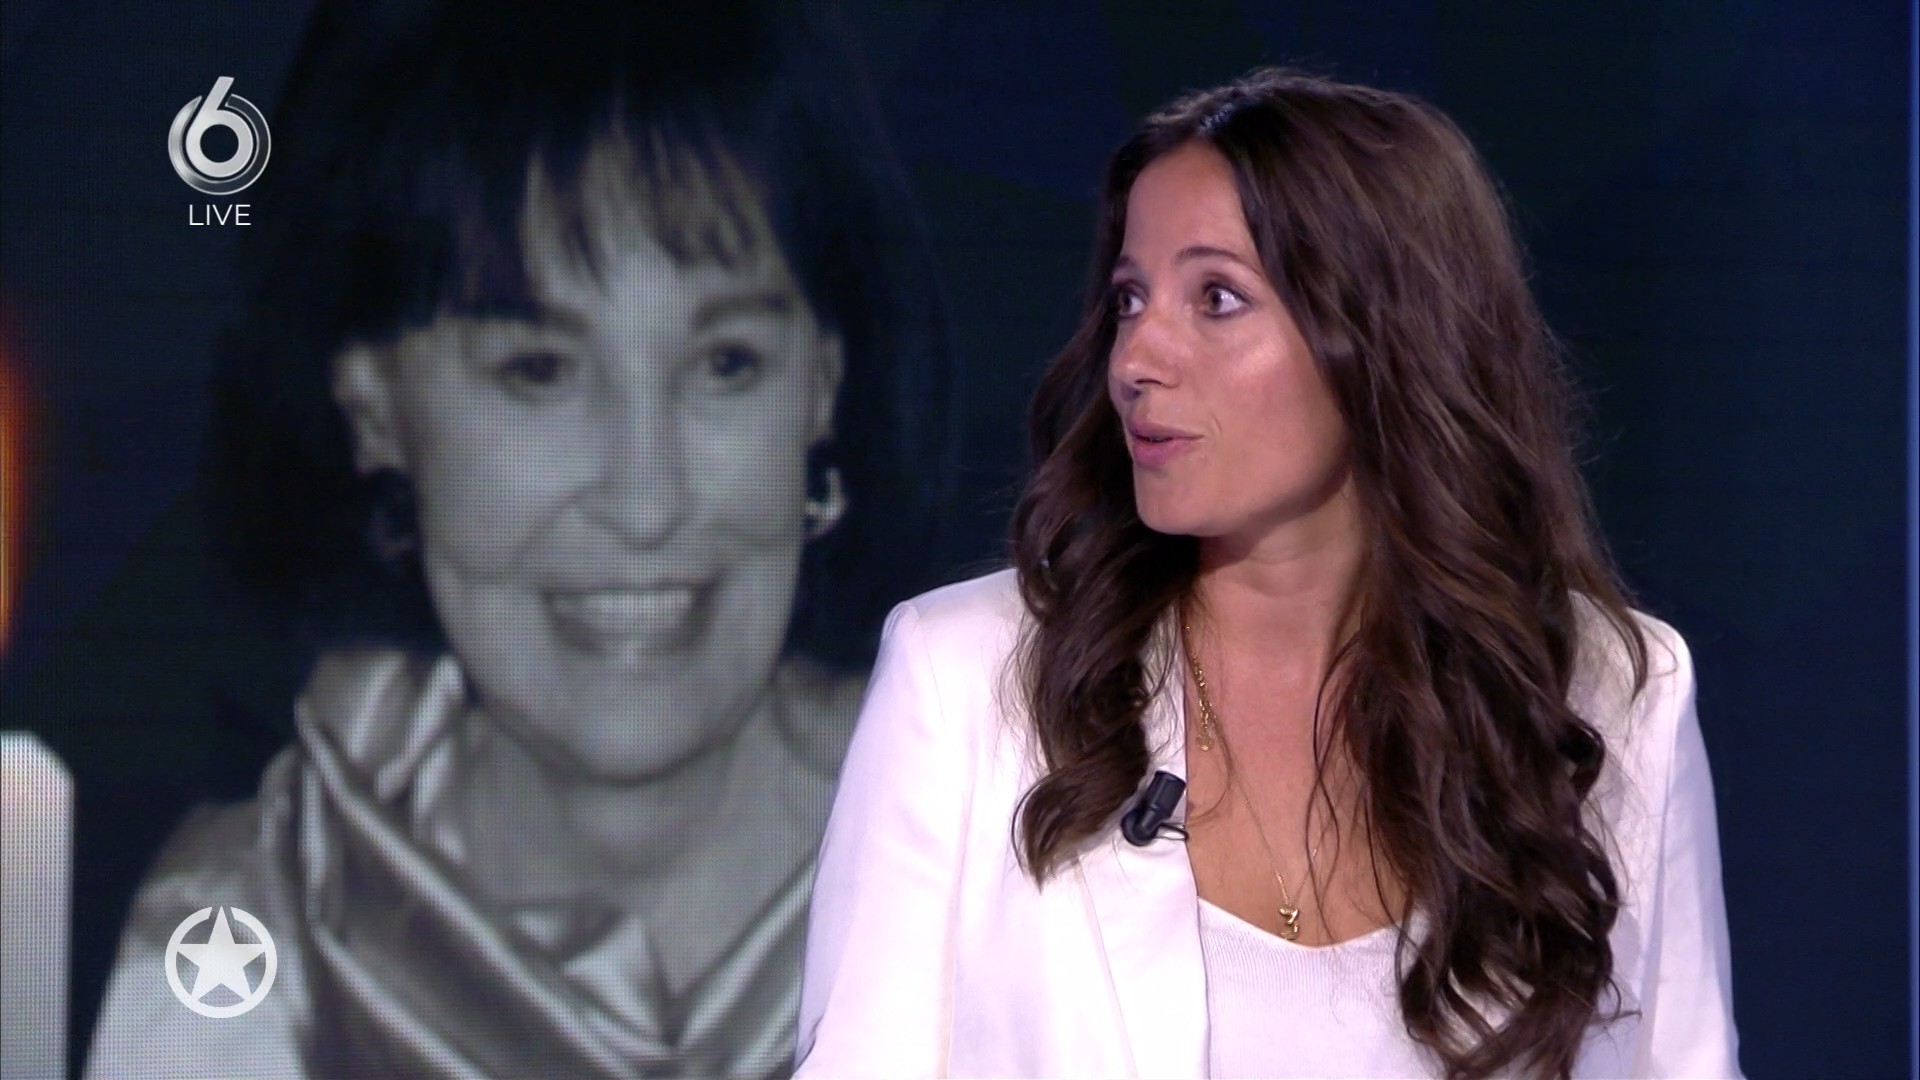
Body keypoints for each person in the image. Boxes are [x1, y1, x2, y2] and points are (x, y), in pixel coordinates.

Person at [796, 69, 1739, 1079]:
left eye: (1217, 298)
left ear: (1385, 337)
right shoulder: (965, 681)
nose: (1136, 358)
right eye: (1129, 298)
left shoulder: (1612, 696)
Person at [87, 1, 952, 1077]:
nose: (645, 500)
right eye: (537, 371)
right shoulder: (238, 928)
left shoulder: (997, 861)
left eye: (725, 363)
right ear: (374, 409)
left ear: (822, 385)